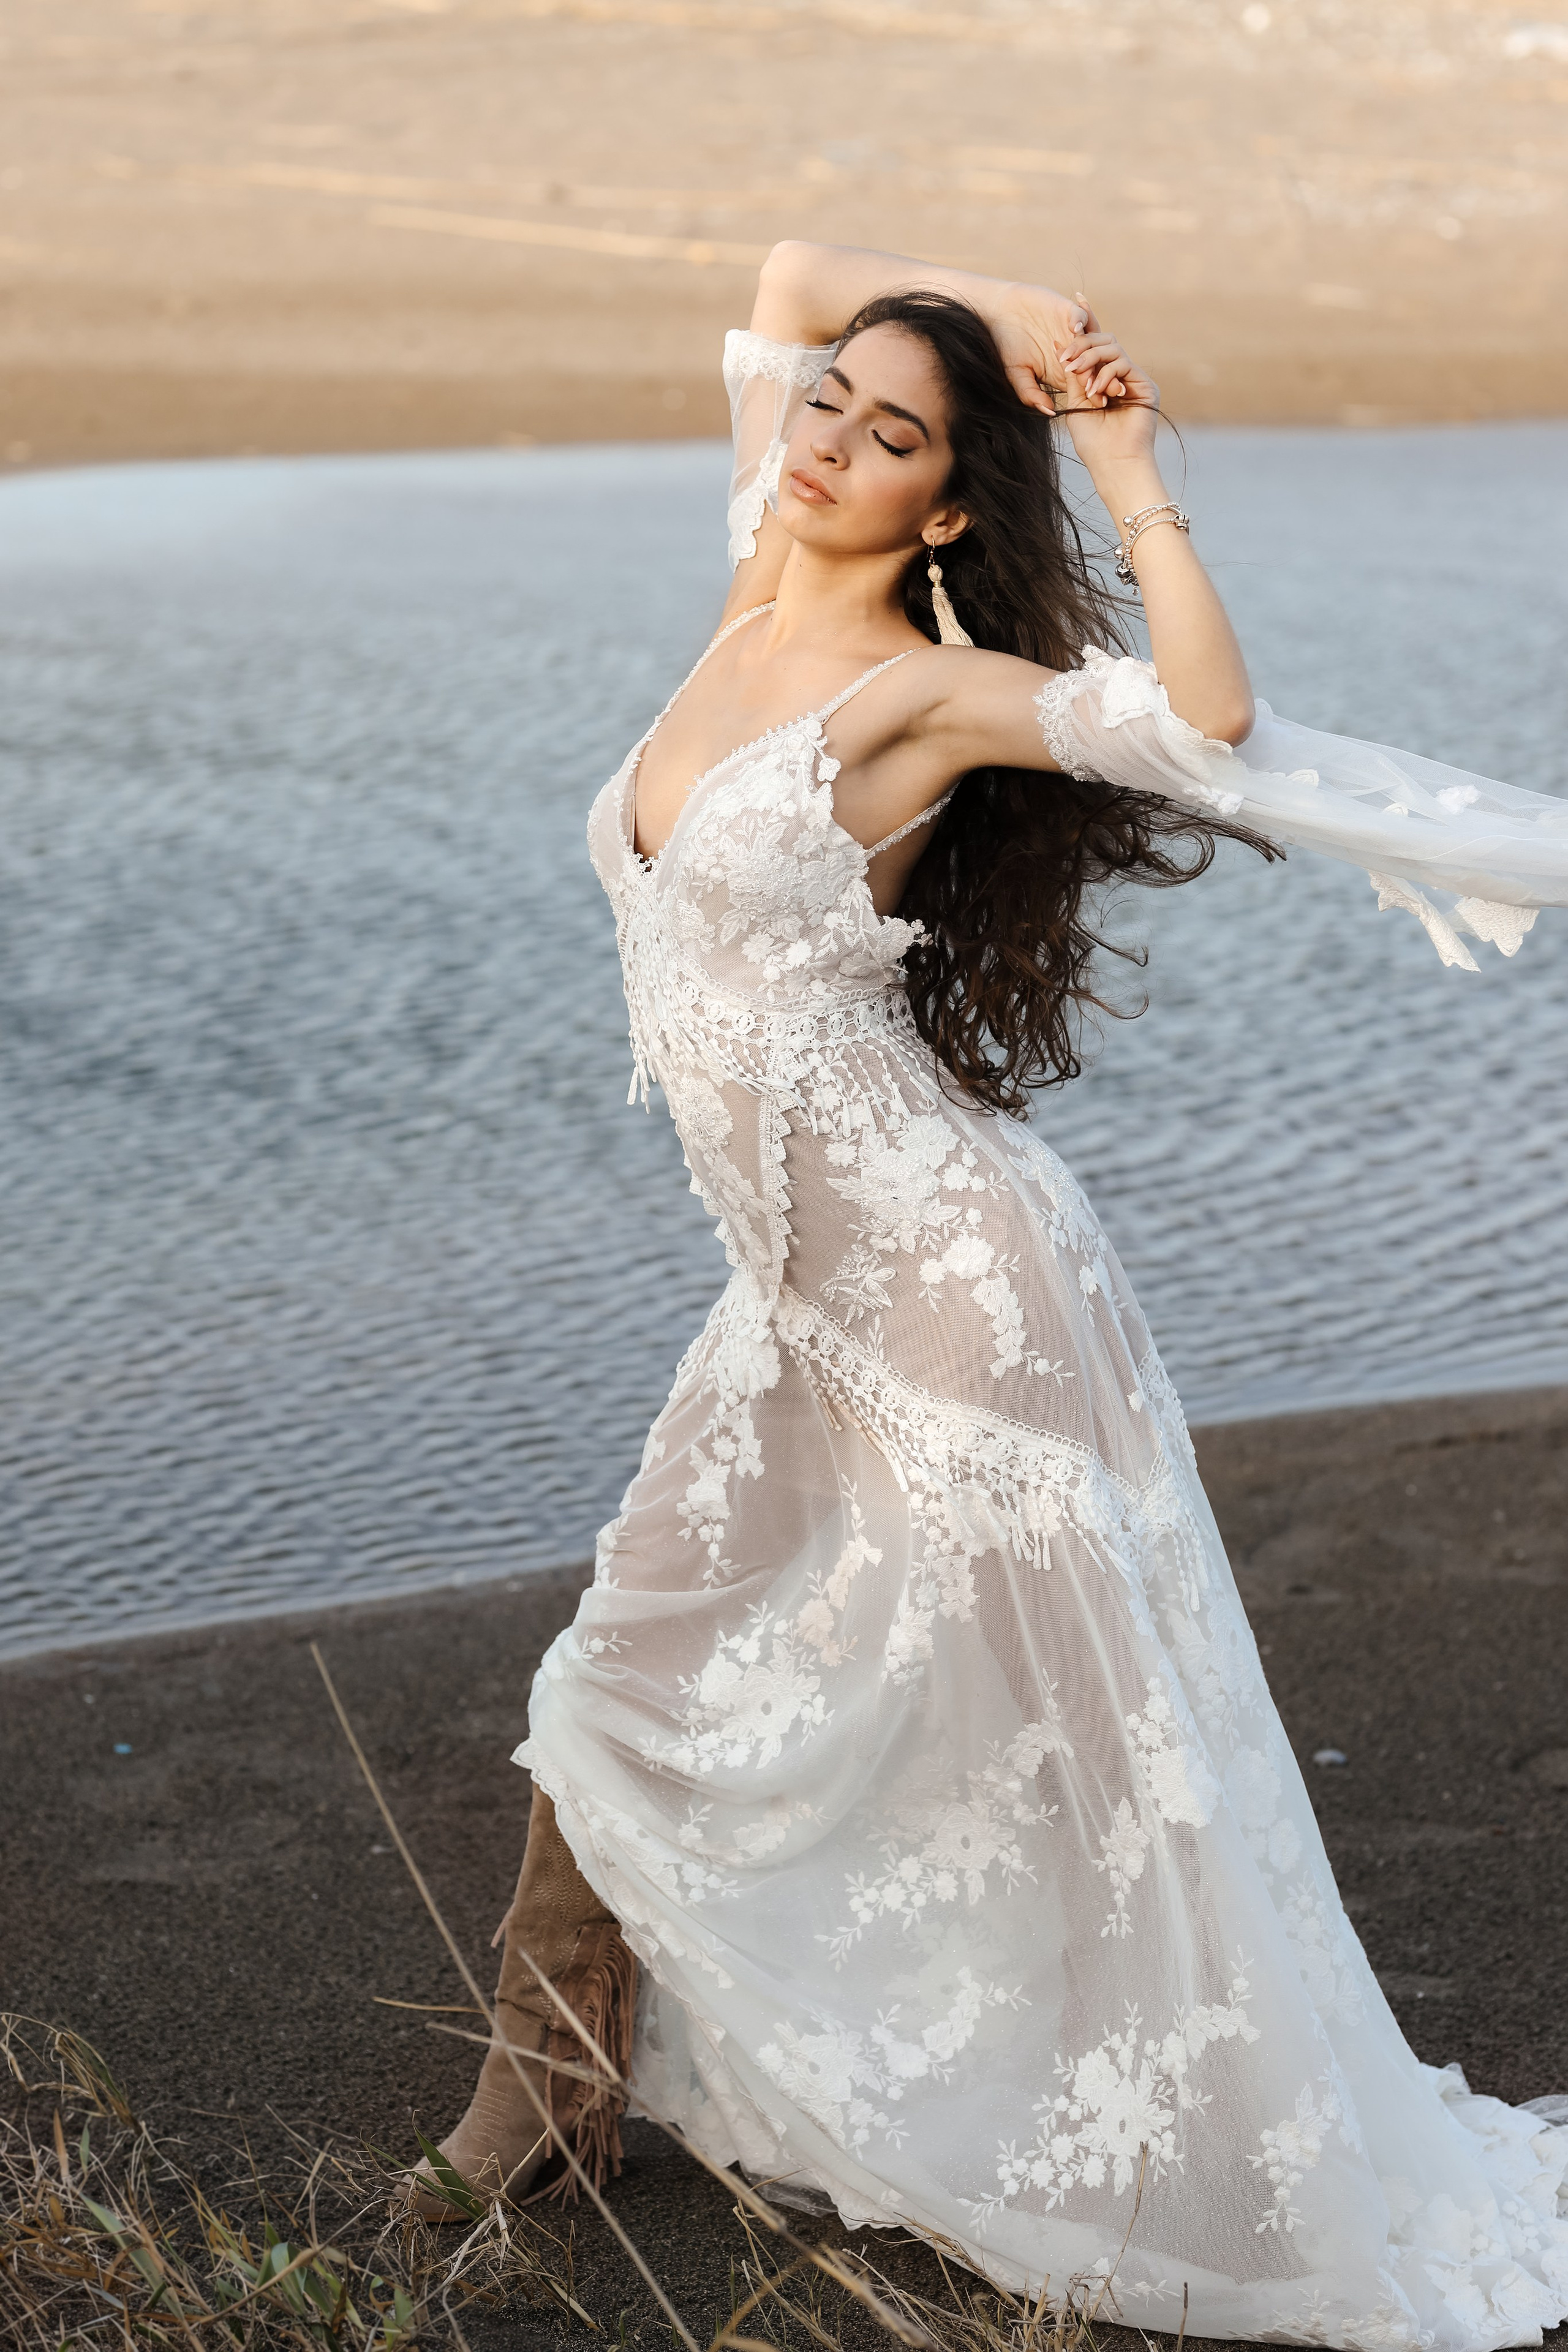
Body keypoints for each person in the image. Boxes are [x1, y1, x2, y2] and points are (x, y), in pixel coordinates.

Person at [404, 241, 1568, 2349]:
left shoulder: (914, 693)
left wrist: (1121, 461)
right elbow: (784, 273)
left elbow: (1200, 719)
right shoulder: (748, 606)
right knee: (634, 1668)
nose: (826, 440)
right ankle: (537, 2102)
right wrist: (1004, 304)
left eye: (892, 436)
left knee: (1072, 1747)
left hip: (955, 1296)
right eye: (822, 406)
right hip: (789, 1306)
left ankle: (1182, 2153)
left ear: (948, 510)